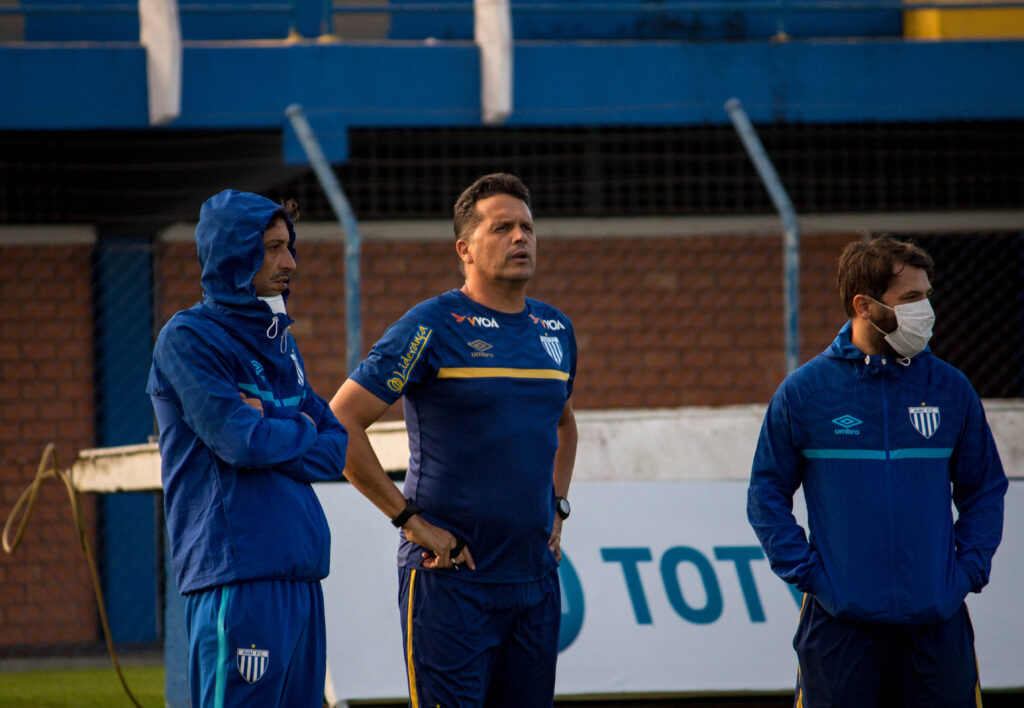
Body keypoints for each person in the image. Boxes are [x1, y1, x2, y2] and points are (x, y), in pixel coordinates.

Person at [330, 173, 578, 707]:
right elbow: (341, 423)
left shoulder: (556, 330)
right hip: (451, 581)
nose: (521, 237)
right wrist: (411, 522)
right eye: (502, 228)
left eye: (527, 227)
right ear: (464, 249)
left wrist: (558, 508)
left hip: (534, 582)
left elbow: (563, 424)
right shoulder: (430, 327)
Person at [748, 235, 1008, 708]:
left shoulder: (951, 390)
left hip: (937, 627)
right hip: (839, 630)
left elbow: (984, 489)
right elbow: (766, 493)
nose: (925, 310)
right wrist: (812, 576)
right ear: (864, 305)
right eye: (910, 298)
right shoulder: (804, 394)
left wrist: (966, 571)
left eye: (927, 295)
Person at [147, 189, 348, 707]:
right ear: (235, 252)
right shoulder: (188, 339)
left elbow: (336, 448)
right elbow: (242, 443)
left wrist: (274, 422)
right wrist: (297, 426)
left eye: (289, 247)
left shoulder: (280, 340)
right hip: (236, 578)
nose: (290, 262)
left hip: (301, 576)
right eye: (273, 248)